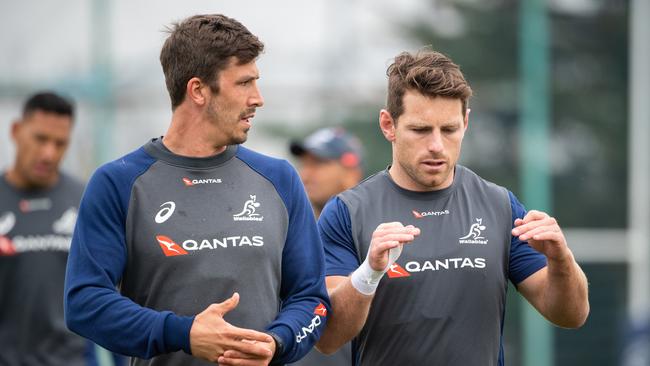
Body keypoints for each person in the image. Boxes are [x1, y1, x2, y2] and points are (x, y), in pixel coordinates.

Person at [64, 14, 329, 366]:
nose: (258, 98)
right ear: (198, 90)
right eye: (244, 83)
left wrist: (277, 342)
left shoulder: (279, 179)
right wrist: (184, 333)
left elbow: (312, 299)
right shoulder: (118, 183)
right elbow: (85, 303)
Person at [314, 49, 590, 365]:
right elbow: (327, 338)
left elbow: (572, 314)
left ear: (465, 123)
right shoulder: (347, 213)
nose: (436, 145)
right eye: (420, 130)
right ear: (388, 125)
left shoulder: (499, 205)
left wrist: (560, 258)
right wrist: (370, 272)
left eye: (449, 129)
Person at [0, 92, 89, 365]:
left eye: (59, 143)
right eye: (40, 139)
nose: (49, 153)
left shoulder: (84, 200)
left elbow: (110, 292)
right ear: (16, 131)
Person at [288, 127, 364, 366]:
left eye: (319, 163)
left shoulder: (376, 240)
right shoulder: (290, 235)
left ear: (351, 172)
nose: (306, 174)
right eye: (305, 164)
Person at [289, 127, 364, 218]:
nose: (304, 176)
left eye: (318, 163)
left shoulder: (376, 226)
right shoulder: (290, 227)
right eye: (303, 164)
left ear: (350, 174)